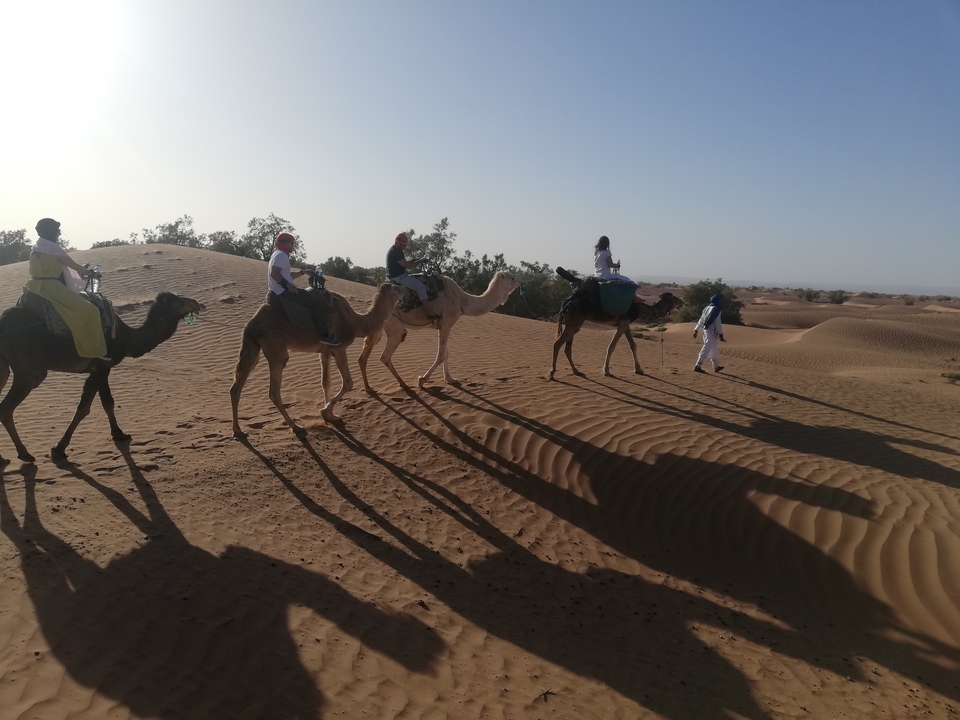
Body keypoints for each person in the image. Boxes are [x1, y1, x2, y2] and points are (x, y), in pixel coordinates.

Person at [25, 218, 108, 360]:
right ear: (51, 231)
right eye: (57, 231)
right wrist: (90, 273)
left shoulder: (36, 248)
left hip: (33, 286)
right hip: (52, 288)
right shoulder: (53, 248)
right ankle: (93, 351)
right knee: (91, 311)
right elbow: (73, 265)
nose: (59, 234)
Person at [267, 232, 340, 346]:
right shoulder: (281, 256)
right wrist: (289, 286)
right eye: (291, 243)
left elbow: (285, 275)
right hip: (283, 292)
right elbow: (274, 274)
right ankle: (324, 336)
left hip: (279, 289)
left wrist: (302, 272)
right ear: (285, 243)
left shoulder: (277, 255)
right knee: (316, 304)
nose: (292, 245)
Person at [386, 232, 442, 319]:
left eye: (404, 245)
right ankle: (429, 312)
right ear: (397, 242)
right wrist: (421, 260)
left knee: (420, 277)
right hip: (398, 277)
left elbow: (406, 262)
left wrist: (419, 259)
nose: (403, 247)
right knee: (421, 287)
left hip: (399, 275)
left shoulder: (396, 250)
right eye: (401, 245)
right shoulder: (396, 252)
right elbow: (408, 266)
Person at [693, 293, 726, 373]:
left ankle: (716, 366)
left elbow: (701, 319)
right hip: (711, 332)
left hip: (706, 331)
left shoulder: (707, 308)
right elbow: (718, 323)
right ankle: (698, 365)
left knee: (713, 349)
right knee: (706, 348)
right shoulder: (716, 310)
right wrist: (721, 335)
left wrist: (696, 330)